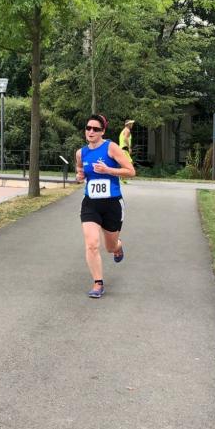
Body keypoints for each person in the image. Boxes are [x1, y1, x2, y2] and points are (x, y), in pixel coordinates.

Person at [75, 114, 135, 298]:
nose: (91, 132)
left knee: (110, 247)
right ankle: (98, 283)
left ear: (103, 131)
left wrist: (108, 170)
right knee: (92, 244)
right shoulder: (81, 152)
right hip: (90, 203)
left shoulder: (111, 147)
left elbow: (131, 171)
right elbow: (80, 169)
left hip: (112, 204)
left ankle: (118, 247)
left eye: (96, 129)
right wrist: (79, 176)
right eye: (88, 128)